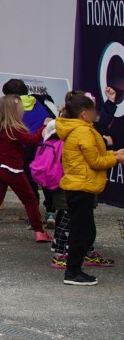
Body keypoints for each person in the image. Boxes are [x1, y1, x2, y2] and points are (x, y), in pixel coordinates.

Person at [55, 91, 119, 286]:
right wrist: (116, 158)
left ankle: (75, 269)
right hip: (81, 187)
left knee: (85, 231)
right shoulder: (83, 131)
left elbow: (93, 157)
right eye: (93, 111)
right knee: (82, 232)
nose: (96, 115)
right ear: (84, 113)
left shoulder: (79, 129)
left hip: (81, 185)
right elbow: (95, 161)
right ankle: (73, 271)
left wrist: (114, 154)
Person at [0, 95, 50, 245]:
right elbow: (31, 141)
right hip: (12, 170)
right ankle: (39, 231)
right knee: (30, 199)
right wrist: (44, 126)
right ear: (15, 111)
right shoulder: (14, 128)